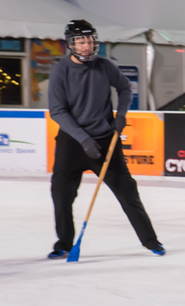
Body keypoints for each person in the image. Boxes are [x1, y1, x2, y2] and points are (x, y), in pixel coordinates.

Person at [48, 20, 163, 259]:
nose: (87, 46)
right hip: (72, 143)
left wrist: (121, 116)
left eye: (90, 40)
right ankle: (64, 244)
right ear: (71, 44)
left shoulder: (104, 66)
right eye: (81, 41)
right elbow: (57, 110)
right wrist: (83, 139)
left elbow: (124, 88)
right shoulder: (61, 70)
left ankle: (150, 240)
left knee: (128, 192)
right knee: (61, 195)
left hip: (104, 141)